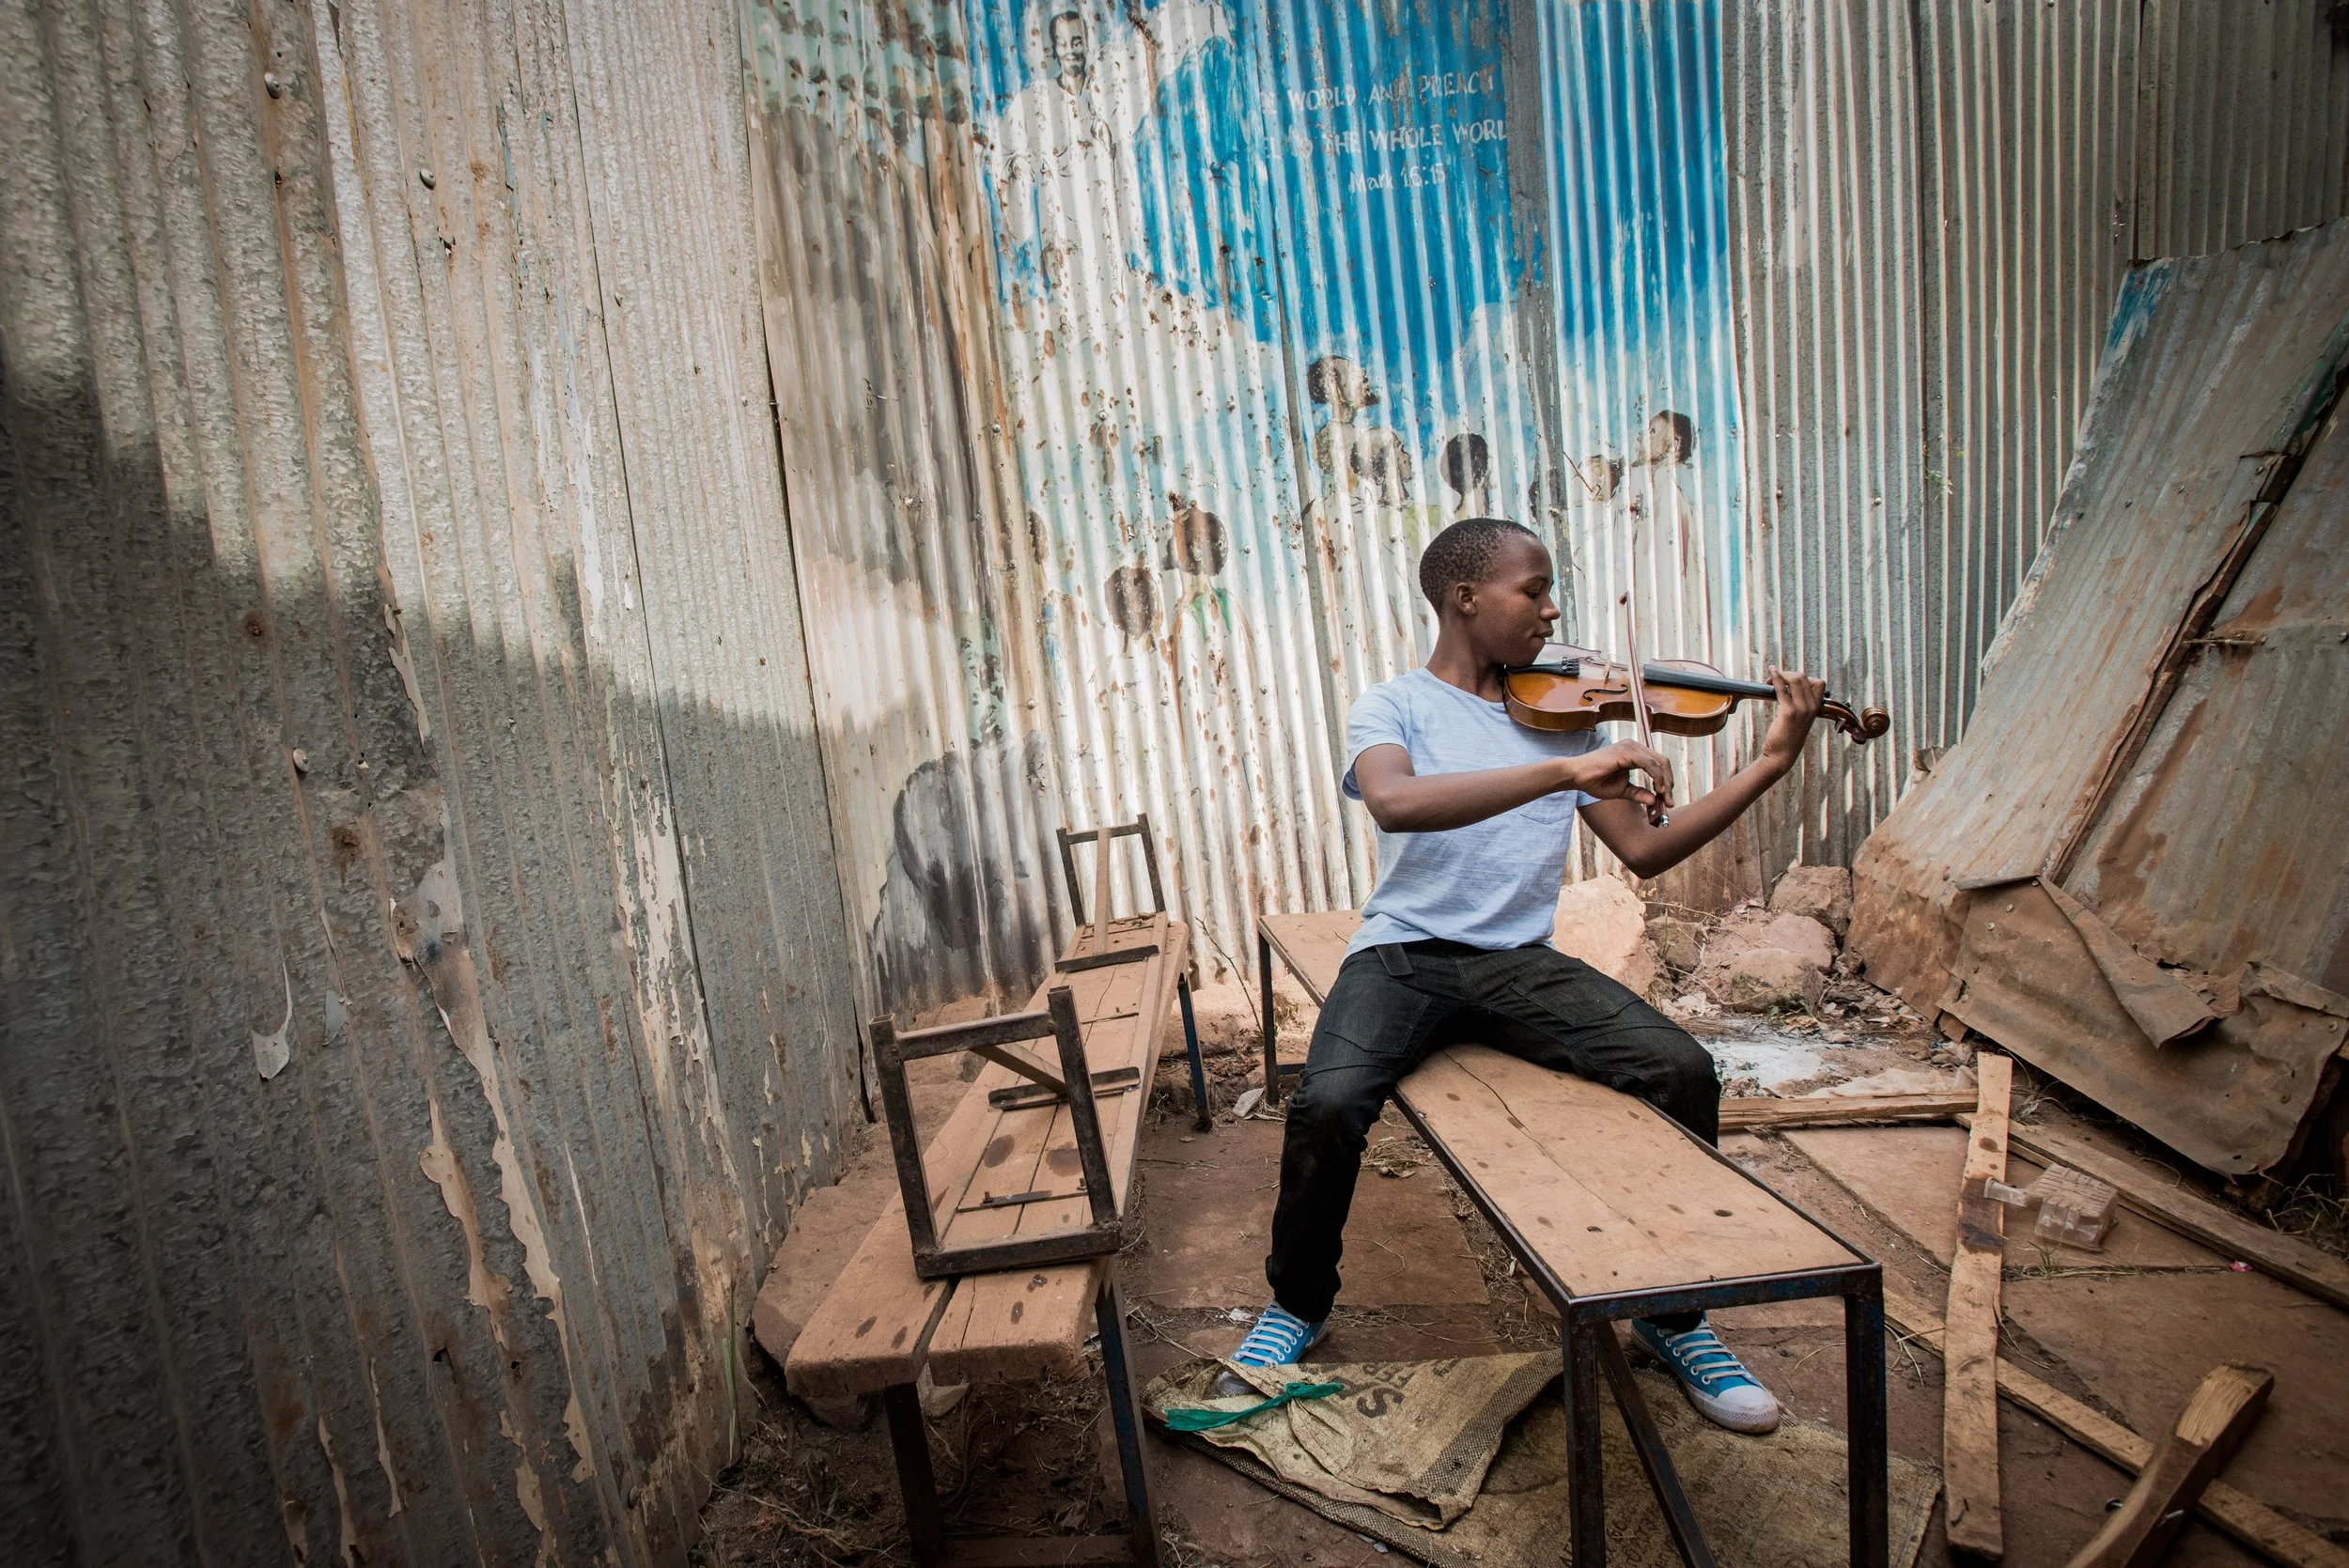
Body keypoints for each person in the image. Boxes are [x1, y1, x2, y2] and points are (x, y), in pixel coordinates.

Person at [1220, 517, 1827, 1436]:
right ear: (1466, 599)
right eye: (1531, 590)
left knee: (1683, 1071)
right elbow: (1394, 799)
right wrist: (1565, 772)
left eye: (1550, 593)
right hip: (1403, 952)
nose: (1550, 610)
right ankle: (1297, 1304)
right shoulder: (1396, 707)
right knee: (1330, 1104)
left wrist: (1772, 760)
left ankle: (1675, 1319)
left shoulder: (1568, 713)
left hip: (1515, 962)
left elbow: (1647, 849)